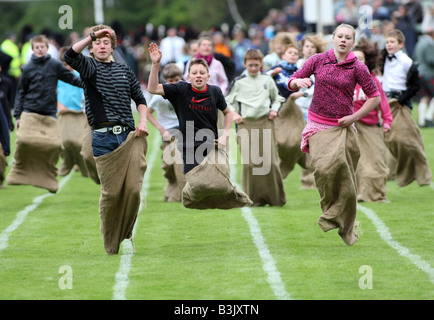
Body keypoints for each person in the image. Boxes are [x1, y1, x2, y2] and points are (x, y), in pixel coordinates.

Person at [288, 24, 381, 246]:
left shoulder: (358, 67)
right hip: (317, 124)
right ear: (333, 38)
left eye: (348, 38)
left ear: (352, 42)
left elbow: (374, 97)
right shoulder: (318, 60)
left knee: (343, 170)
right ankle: (331, 209)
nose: (343, 40)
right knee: (322, 168)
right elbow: (292, 81)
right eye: (339, 36)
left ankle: (342, 222)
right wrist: (297, 82)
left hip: (343, 126)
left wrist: (354, 117)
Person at [64, 24, 148, 255]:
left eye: (106, 42)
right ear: (91, 49)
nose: (101, 46)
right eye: (97, 43)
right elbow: (69, 55)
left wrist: (142, 121)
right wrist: (91, 35)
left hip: (129, 137)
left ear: (113, 47)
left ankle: (125, 231)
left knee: (132, 190)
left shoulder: (125, 71)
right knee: (111, 193)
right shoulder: (88, 67)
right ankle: (111, 239)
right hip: (103, 138)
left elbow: (140, 100)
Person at [147, 42, 251, 209]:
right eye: (194, 73)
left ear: (208, 76)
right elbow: (152, 88)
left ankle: (235, 198)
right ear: (188, 77)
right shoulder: (181, 89)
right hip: (189, 147)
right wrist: (155, 64)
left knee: (221, 184)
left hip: (213, 144)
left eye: (202, 72)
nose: (198, 75)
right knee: (198, 186)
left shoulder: (215, 91)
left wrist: (225, 135)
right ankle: (187, 195)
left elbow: (228, 112)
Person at [6, 34, 82, 193]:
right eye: (37, 47)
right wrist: (18, 115)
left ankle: (48, 175)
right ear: (33, 49)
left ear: (47, 48)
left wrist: (90, 83)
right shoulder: (26, 68)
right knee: (24, 141)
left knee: (55, 146)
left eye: (42, 47)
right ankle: (19, 169)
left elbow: (71, 78)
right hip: (30, 111)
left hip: (49, 113)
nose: (40, 50)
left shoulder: (54, 65)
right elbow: (21, 92)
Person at [225, 48, 286, 207]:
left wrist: (274, 109)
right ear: (245, 64)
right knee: (251, 163)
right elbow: (227, 102)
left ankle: (275, 198)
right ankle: (252, 199)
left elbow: (277, 98)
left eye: (256, 65)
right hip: (246, 124)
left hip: (265, 121)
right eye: (250, 65)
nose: (253, 68)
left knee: (269, 162)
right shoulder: (238, 82)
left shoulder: (267, 80)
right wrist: (235, 114)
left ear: (261, 65)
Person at [380, 29, 431, 187]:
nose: (389, 45)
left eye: (392, 42)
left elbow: (415, 86)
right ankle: (400, 172)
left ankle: (422, 173)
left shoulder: (407, 61)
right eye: (387, 42)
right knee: (388, 139)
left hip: (399, 102)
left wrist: (402, 100)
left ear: (401, 44)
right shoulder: (384, 58)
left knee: (405, 139)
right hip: (385, 101)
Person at [352, 38, 393, 202]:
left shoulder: (372, 80)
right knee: (356, 162)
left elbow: (383, 102)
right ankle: (357, 194)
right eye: (353, 59)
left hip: (371, 127)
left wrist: (387, 121)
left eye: (360, 59)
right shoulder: (344, 80)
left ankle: (377, 194)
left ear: (366, 61)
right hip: (351, 126)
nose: (356, 62)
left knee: (376, 161)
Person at [147, 63, 186, 202]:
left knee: (180, 164)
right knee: (169, 165)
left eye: (177, 80)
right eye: (171, 81)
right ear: (165, 81)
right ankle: (171, 188)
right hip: (167, 132)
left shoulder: (185, 90)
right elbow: (148, 113)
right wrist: (161, 129)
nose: (174, 84)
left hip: (182, 131)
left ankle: (183, 195)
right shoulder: (160, 96)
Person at [56, 46, 87, 177]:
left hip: (78, 111)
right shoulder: (58, 76)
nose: (67, 67)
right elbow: (52, 92)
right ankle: (67, 161)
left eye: (69, 64)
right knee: (63, 142)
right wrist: (59, 104)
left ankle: (79, 162)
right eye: (64, 64)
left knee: (79, 141)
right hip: (63, 111)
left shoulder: (80, 74)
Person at [413, 26, 434, 127]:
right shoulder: (429, 43)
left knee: (424, 96)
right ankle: (429, 117)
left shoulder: (419, 42)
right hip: (428, 73)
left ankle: (421, 121)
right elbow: (431, 59)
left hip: (420, 72)